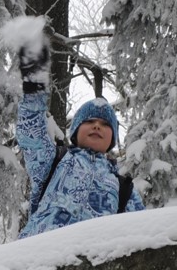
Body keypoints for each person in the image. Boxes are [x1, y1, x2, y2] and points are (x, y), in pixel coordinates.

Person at [16, 31, 144, 238]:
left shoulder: (123, 188)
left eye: (105, 124)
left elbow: (140, 231)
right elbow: (31, 133)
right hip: (41, 249)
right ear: (75, 132)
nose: (97, 127)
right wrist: (34, 86)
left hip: (92, 255)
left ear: (112, 139)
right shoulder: (55, 161)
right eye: (90, 122)